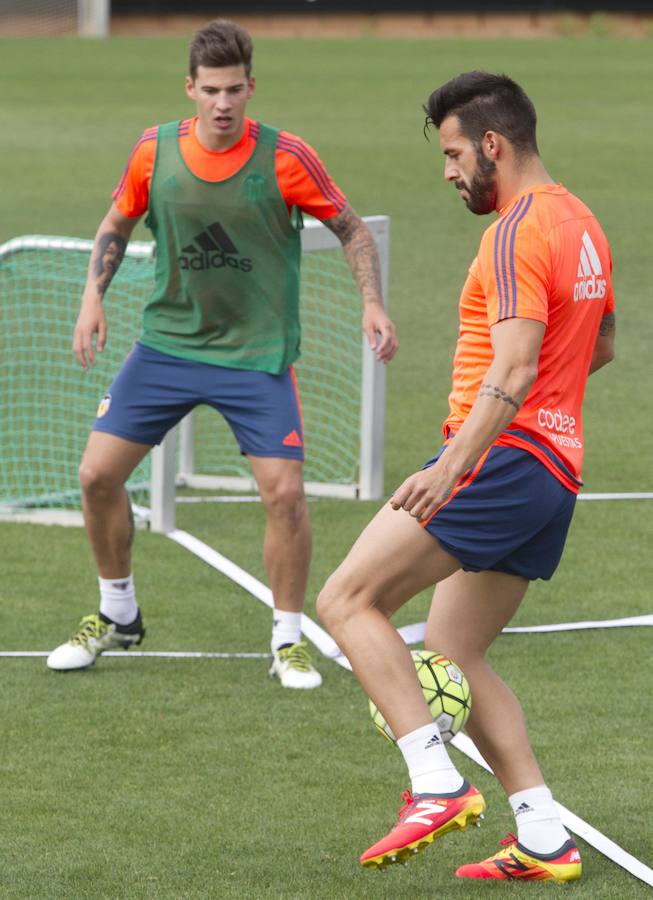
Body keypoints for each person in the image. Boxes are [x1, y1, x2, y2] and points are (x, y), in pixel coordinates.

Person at [317, 70, 615, 881]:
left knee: (346, 599)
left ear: (491, 145)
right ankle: (544, 834)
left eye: (452, 154)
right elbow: (602, 345)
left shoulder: (516, 229)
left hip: (500, 458)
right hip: (553, 468)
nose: (447, 172)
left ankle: (434, 782)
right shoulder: (581, 223)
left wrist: (452, 465)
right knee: (453, 649)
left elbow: (515, 366)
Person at [47, 19, 398, 687]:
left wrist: (372, 303)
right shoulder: (153, 151)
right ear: (189, 89)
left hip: (255, 356)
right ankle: (117, 613)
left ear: (250, 87)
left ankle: (287, 641)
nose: (223, 103)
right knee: (97, 476)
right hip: (166, 347)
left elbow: (350, 228)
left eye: (235, 89)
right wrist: (93, 297)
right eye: (210, 90)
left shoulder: (287, 156)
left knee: (286, 495)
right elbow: (117, 220)